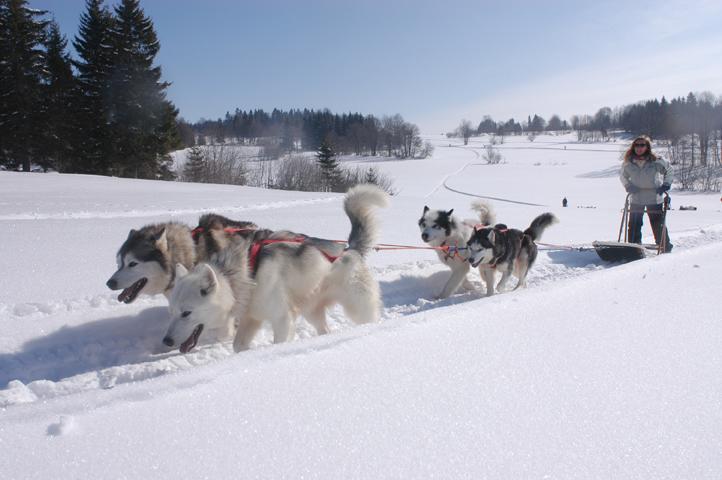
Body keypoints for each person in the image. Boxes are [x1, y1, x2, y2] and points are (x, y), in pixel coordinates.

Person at [619, 135, 673, 252]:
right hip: (636, 197)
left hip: (654, 197)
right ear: (633, 147)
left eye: (642, 145)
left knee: (657, 223)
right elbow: (622, 176)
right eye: (637, 145)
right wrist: (628, 186)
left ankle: (665, 246)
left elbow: (669, 170)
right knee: (634, 223)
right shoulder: (629, 163)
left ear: (647, 147)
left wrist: (666, 184)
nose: (639, 148)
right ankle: (633, 247)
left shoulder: (656, 161)